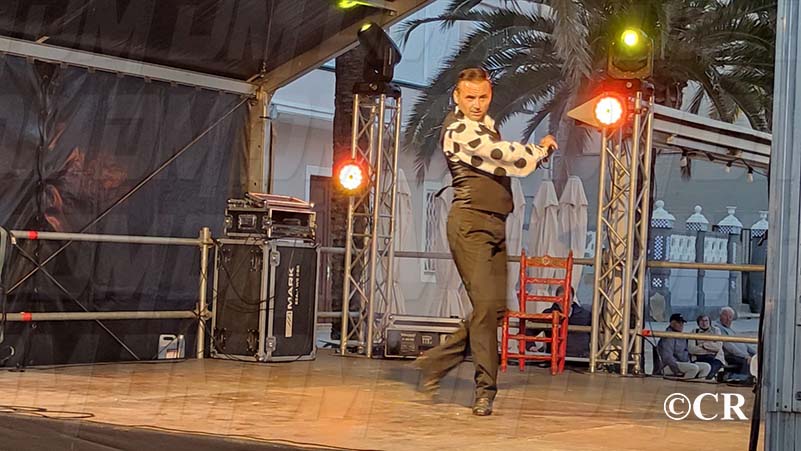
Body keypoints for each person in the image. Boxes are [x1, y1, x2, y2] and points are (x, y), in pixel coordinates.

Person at [415, 68, 557, 416]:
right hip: (470, 225)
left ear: (489, 95)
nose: (476, 104)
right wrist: (539, 151)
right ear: (457, 97)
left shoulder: (486, 126)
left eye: (482, 97)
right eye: (470, 98)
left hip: (495, 225)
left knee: (497, 310)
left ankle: (436, 362)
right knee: (484, 310)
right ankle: (485, 391)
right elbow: (501, 155)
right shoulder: (459, 130)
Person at [656, 313, 712, 379]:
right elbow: (667, 357)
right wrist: (676, 369)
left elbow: (687, 351)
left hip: (683, 363)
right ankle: (683, 385)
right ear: (672, 323)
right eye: (679, 322)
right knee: (693, 368)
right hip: (668, 366)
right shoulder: (668, 336)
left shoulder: (682, 335)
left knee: (706, 367)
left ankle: (699, 384)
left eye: (682, 323)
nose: (681, 325)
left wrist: (689, 362)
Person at [717, 306, 756, 376]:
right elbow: (729, 346)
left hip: (742, 354)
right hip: (731, 355)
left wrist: (756, 353)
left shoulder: (731, 330)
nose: (728, 319)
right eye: (725, 316)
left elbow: (744, 343)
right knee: (747, 361)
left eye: (730, 317)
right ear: (720, 316)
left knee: (757, 359)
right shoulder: (719, 328)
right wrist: (744, 355)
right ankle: (742, 379)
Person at [687, 314, 725, 381]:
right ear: (698, 323)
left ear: (710, 322)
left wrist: (703, 345)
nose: (704, 323)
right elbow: (691, 349)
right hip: (699, 358)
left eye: (706, 321)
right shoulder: (694, 332)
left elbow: (718, 347)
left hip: (715, 358)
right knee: (696, 372)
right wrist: (710, 348)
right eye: (702, 321)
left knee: (709, 373)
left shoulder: (716, 330)